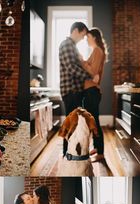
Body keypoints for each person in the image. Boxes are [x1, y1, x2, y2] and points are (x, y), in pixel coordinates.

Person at [59, 22, 93, 155]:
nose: (83, 38)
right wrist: (89, 76)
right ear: (76, 31)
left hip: (74, 90)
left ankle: (70, 152)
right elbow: (71, 68)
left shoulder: (72, 46)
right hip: (71, 90)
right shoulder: (66, 44)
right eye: (83, 35)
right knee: (71, 124)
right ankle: (67, 153)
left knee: (73, 123)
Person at [80, 28, 108, 161]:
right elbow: (92, 72)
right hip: (90, 91)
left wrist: (82, 61)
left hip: (92, 92)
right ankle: (96, 147)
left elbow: (93, 70)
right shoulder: (96, 51)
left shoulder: (97, 51)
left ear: (94, 38)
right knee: (92, 122)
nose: (86, 39)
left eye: (88, 37)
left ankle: (101, 153)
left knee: (94, 122)